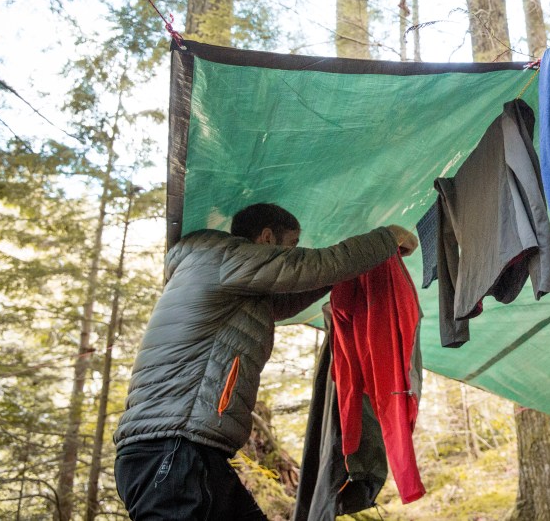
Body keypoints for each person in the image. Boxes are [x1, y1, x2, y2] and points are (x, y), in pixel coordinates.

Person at [112, 202, 419, 521]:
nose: (292, 254)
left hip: (187, 450)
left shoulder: (221, 271)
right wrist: (387, 238)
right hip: (172, 447)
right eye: (291, 246)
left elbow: (284, 298)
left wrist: (343, 276)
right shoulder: (224, 256)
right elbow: (312, 266)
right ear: (268, 238)